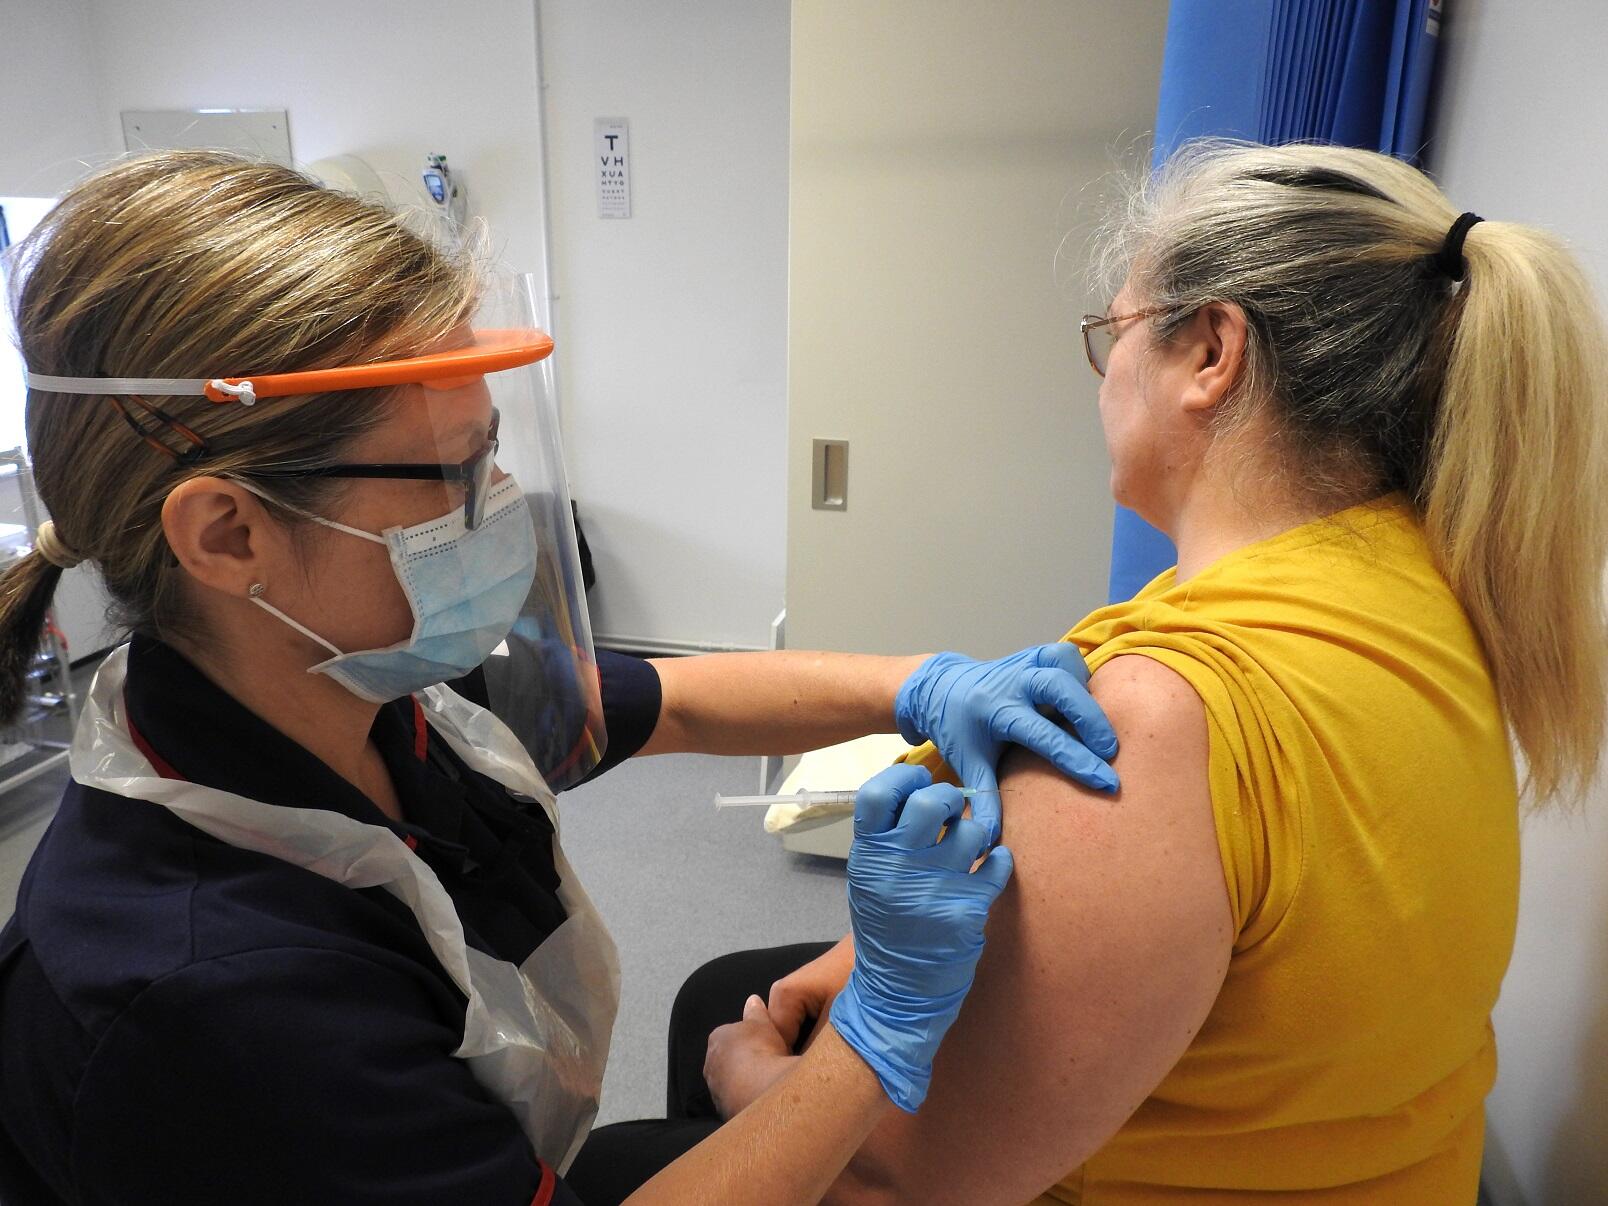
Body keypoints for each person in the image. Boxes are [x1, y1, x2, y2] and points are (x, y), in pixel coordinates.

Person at [0, 152, 1121, 1205]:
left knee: (709, 1020)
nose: (500, 501)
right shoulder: (214, 994)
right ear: (229, 535)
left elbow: (673, 699)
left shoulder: (354, 693)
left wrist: (924, 683)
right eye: (449, 471)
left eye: (491, 449)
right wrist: (880, 1028)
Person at [673, 140, 1608, 1204]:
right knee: (740, 982)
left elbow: (905, 1191)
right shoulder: (1419, 586)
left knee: (710, 1037)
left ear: (1210, 351)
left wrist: (749, 1087)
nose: (1104, 374)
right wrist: (857, 968)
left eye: (1111, 335)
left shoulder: (1167, 720)